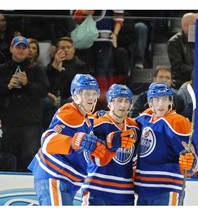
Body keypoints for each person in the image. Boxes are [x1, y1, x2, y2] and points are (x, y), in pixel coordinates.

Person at [28, 74, 136, 205]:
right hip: (53, 175)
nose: (91, 98)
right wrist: (74, 141)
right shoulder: (69, 111)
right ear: (75, 95)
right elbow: (47, 141)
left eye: (94, 93)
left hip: (70, 181)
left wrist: (111, 146)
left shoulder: (90, 120)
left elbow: (97, 159)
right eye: (86, 93)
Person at [134, 82, 198, 206]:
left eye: (165, 99)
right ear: (150, 101)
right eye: (157, 99)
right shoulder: (143, 120)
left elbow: (194, 162)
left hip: (166, 189)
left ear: (170, 101)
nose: (161, 104)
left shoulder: (177, 122)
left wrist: (190, 162)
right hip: (142, 191)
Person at [81, 84, 140, 205]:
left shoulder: (135, 127)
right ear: (110, 103)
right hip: (97, 189)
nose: (123, 105)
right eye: (119, 100)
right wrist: (108, 143)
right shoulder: (97, 124)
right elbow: (89, 156)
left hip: (124, 194)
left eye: (126, 101)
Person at [0, 35, 49, 172]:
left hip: (30, 124)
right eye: (18, 47)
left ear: (28, 51)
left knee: (28, 158)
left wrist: (28, 84)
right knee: (7, 157)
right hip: (8, 123)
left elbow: (43, 91)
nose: (21, 50)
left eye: (24, 48)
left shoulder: (36, 69)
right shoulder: (2, 69)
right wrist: (7, 87)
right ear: (11, 48)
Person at [167, 12, 198, 89]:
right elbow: (178, 67)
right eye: (196, 24)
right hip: (183, 81)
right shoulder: (174, 42)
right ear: (185, 26)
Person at [46, 36, 88, 107]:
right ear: (57, 50)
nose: (66, 50)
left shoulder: (80, 66)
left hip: (70, 97)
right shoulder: (52, 64)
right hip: (53, 97)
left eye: (68, 47)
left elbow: (80, 87)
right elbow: (47, 84)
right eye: (62, 48)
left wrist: (62, 72)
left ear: (73, 50)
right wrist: (55, 66)